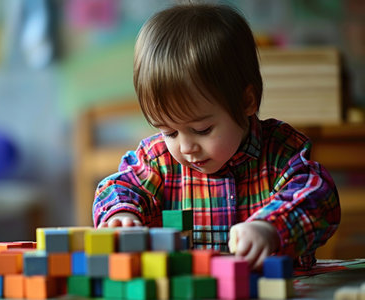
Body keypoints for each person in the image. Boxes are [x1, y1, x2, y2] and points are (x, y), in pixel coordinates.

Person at [92, 3, 340, 270]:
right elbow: (120, 186)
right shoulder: (158, 161)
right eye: (169, 132)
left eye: (202, 130)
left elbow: (320, 199)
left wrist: (270, 228)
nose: (186, 147)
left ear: (247, 101)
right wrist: (122, 214)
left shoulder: (281, 152)